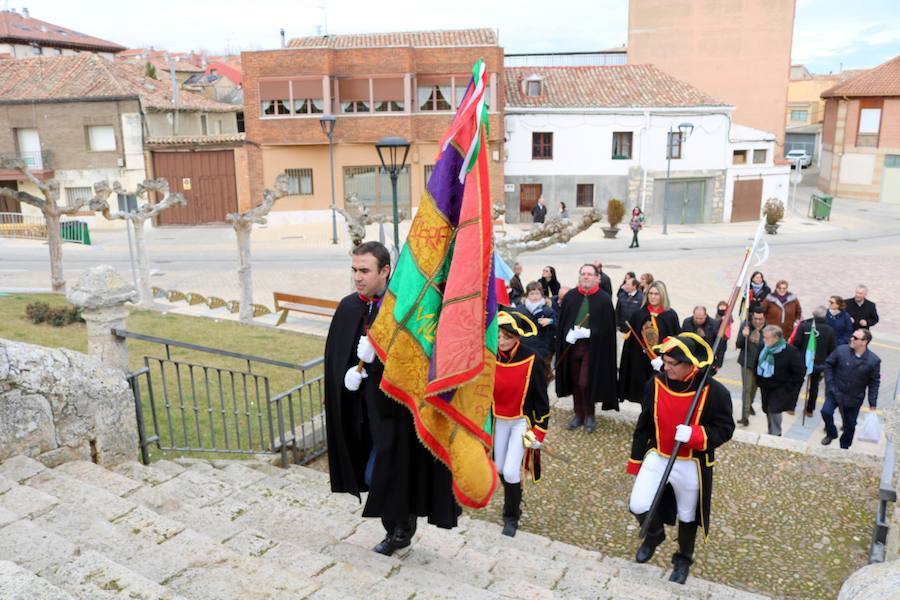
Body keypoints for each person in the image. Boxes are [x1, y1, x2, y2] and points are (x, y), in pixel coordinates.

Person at [324, 241, 459, 556]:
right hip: (360, 411)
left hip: (394, 412)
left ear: (385, 271)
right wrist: (346, 376)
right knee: (370, 469)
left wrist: (383, 354)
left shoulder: (402, 310)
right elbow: (335, 356)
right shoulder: (348, 307)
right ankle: (398, 522)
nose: (358, 277)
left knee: (384, 470)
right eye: (354, 270)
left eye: (365, 270)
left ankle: (399, 529)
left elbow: (420, 357)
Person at [627, 332, 735, 585]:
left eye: (672, 364)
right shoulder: (654, 384)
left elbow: (725, 429)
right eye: (665, 362)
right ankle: (654, 534)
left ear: (690, 364)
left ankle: (683, 559)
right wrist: (635, 459)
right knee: (638, 504)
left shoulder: (714, 392)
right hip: (659, 455)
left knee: (688, 515)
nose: (667, 368)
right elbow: (643, 424)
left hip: (691, 463)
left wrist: (697, 435)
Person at [493, 310, 550, 537]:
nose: (502, 341)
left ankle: (511, 516)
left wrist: (538, 433)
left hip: (520, 422)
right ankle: (515, 495)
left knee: (510, 470)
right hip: (498, 420)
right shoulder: (490, 355)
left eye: (507, 336)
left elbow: (542, 401)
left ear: (517, 337)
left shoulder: (532, 359)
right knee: (498, 468)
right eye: (499, 336)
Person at [555, 263, 618, 433]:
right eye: (583, 273)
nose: (586, 277)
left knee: (585, 382)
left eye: (590, 274)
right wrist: (568, 334)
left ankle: (590, 414)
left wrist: (591, 333)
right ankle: (578, 414)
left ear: (597, 277)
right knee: (575, 381)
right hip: (573, 346)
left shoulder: (604, 300)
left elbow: (608, 329)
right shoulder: (571, 297)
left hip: (594, 349)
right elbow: (563, 322)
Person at [619, 280, 680, 403]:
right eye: (650, 293)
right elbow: (631, 343)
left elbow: (674, 341)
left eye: (656, 294)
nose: (653, 297)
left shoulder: (670, 315)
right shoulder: (639, 314)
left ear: (663, 295)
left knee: (658, 395)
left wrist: (662, 359)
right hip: (641, 362)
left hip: (662, 363)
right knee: (643, 395)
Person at [821, 329, 881, 449]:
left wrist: (872, 403)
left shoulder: (873, 361)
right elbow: (828, 365)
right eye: (852, 336)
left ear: (864, 342)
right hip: (835, 392)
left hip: (854, 397)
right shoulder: (841, 350)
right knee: (826, 412)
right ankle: (831, 433)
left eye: (855, 338)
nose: (851, 339)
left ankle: (844, 446)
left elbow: (874, 383)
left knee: (850, 425)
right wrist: (830, 384)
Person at [756, 325, 805, 436]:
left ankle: (776, 434)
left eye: (766, 338)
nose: (764, 340)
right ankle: (771, 431)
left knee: (774, 410)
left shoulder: (791, 352)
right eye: (763, 337)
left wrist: (788, 387)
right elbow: (757, 364)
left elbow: (800, 372)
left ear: (776, 338)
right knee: (767, 409)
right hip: (766, 386)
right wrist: (758, 381)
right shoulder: (763, 348)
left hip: (781, 388)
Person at [791, 306, 836, 418]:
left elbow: (796, 343)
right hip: (819, 363)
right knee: (814, 386)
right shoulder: (830, 330)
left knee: (796, 383)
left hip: (802, 361)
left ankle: (791, 407)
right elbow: (832, 349)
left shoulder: (804, 326)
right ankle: (810, 409)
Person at [518, 281, 557, 382]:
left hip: (542, 347)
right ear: (527, 295)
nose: (534, 296)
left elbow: (558, 325)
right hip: (524, 346)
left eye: (537, 293)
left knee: (541, 376)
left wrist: (551, 321)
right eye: (531, 293)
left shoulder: (548, 310)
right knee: (525, 376)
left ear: (541, 295)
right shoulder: (520, 310)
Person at [735, 307, 766, 426]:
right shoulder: (746, 325)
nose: (758, 321)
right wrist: (744, 336)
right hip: (746, 363)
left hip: (760, 364)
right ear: (752, 317)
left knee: (754, 388)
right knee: (746, 389)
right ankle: (745, 416)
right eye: (756, 319)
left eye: (760, 319)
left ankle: (749, 404)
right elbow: (738, 344)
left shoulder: (768, 328)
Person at [681, 306, 724, 372]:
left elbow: (721, 345)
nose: (698, 320)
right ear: (693, 314)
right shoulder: (687, 322)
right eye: (696, 318)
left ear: (705, 315)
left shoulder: (714, 324)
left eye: (701, 318)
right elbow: (682, 340)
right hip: (691, 357)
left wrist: (718, 363)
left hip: (707, 357)